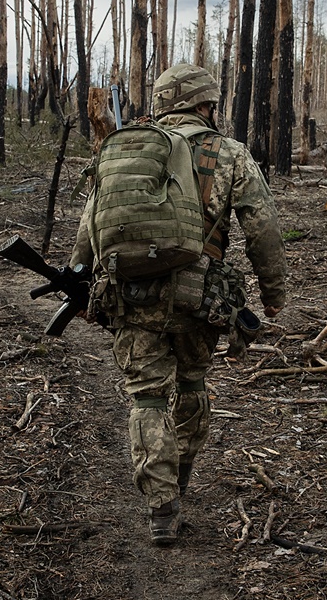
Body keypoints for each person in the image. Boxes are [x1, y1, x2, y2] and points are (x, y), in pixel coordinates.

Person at [70, 63, 288, 545]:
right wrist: (273, 294)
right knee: (192, 382)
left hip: (132, 295)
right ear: (206, 104)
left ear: (165, 104)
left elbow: (90, 227)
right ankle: (181, 478)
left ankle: (160, 503)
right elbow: (263, 227)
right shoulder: (229, 154)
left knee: (147, 396)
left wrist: (81, 284)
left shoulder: (127, 151)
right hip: (200, 299)